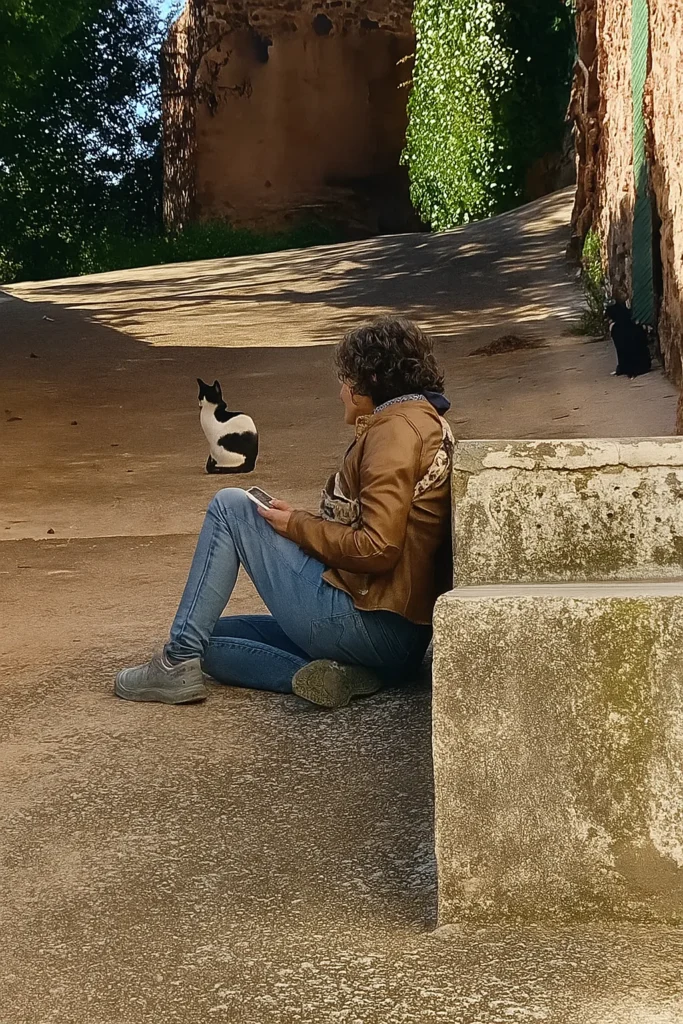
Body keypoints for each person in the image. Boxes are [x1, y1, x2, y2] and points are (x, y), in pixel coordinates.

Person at [115, 316, 454, 709]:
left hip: (372, 624)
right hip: (396, 636)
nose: (341, 392)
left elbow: (378, 547)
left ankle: (175, 664)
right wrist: (299, 523)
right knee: (206, 635)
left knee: (230, 506)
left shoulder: (394, 432)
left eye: (347, 379)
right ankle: (339, 674)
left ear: (372, 380)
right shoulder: (420, 419)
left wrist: (298, 525)